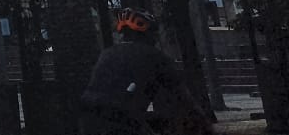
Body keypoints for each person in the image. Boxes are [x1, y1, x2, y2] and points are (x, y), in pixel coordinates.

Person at [78, 7, 214, 135]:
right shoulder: (154, 56)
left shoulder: (107, 54)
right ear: (147, 34)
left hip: (88, 118)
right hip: (122, 119)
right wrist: (206, 128)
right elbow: (183, 98)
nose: (155, 39)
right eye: (153, 34)